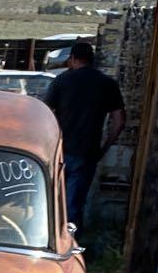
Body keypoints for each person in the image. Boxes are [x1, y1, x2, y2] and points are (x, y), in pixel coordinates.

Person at [43, 40, 126, 228]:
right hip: (87, 151)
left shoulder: (62, 81)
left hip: (59, 150)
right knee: (74, 205)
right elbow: (119, 120)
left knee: (51, 200)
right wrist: (104, 148)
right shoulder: (107, 84)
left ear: (72, 58)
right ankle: (71, 246)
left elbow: (45, 113)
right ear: (92, 60)